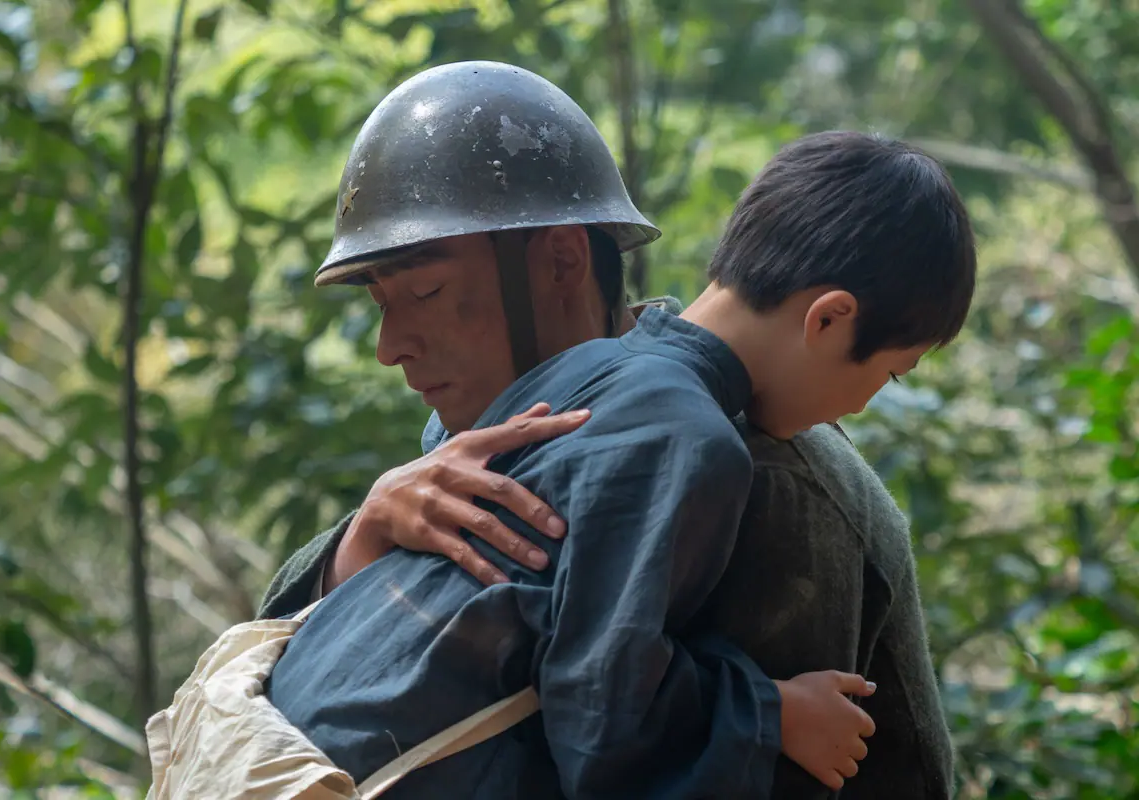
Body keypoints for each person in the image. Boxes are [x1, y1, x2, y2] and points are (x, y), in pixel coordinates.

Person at [261, 117, 974, 800]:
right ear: (828, 317)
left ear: (563, 263)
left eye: (428, 292)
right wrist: (365, 536)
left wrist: (764, 714)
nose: (389, 347)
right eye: (382, 304)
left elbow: (608, 719)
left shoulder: (767, 477)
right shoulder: (574, 416)